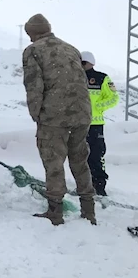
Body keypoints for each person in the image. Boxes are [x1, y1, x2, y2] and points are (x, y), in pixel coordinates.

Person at [22, 14, 96, 225]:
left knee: (53, 162)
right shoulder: (71, 48)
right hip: (82, 114)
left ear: (33, 33)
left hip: (54, 116)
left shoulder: (33, 51)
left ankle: (55, 211)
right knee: (80, 161)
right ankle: (88, 211)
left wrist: (36, 115)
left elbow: (34, 86)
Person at [81, 51, 119, 196]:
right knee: (79, 157)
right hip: (78, 124)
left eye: (83, 63)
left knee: (96, 155)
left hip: (95, 125)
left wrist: (97, 107)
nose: (81, 65)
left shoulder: (101, 78)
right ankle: (84, 186)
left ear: (91, 63)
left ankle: (99, 186)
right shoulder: (74, 77)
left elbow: (113, 98)